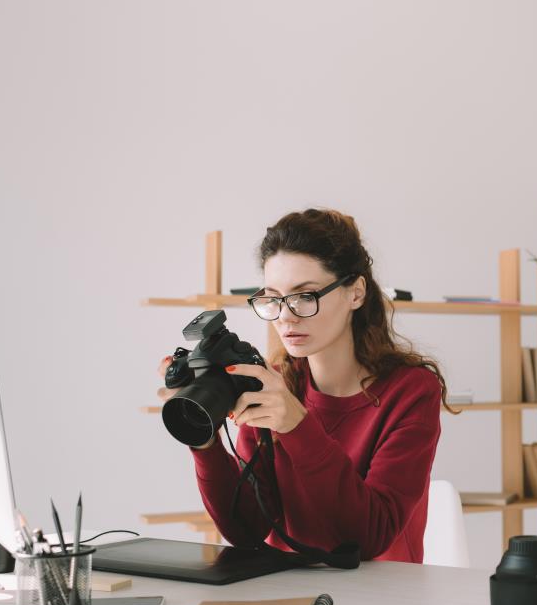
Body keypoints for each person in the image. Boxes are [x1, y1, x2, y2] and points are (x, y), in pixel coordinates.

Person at [156, 209, 457, 563]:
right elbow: (245, 530)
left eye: (305, 296)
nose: (285, 315)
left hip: (383, 601)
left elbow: (370, 537)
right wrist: (205, 442)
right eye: (272, 298)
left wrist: (298, 427)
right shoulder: (275, 382)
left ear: (356, 293)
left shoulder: (411, 391)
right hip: (288, 597)